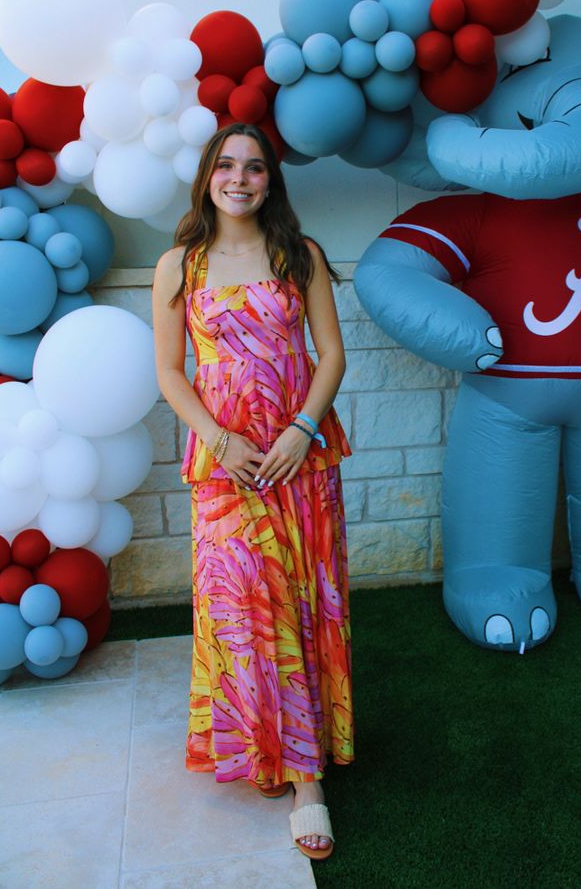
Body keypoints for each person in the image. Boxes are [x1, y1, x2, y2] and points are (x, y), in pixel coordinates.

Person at [152, 121, 353, 861]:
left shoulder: (299, 257)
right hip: (225, 465)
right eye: (227, 165)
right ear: (209, 175)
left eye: (256, 167)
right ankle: (268, 741)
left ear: (272, 180)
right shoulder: (181, 265)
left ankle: (307, 780)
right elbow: (172, 371)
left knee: (299, 601)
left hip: (298, 460)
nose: (240, 178)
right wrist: (218, 436)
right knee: (239, 609)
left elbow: (330, 354)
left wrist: (302, 428)